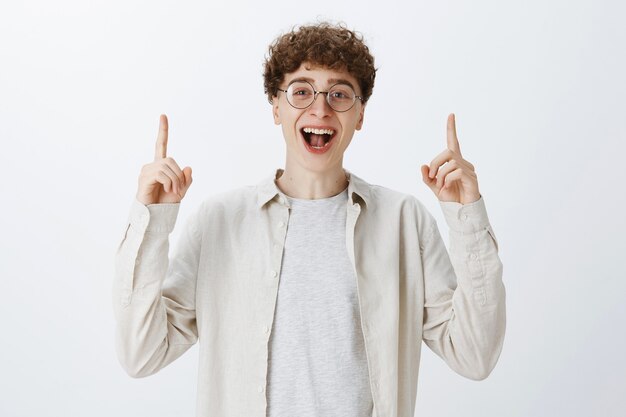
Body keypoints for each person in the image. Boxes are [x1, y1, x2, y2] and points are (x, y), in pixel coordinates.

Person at [113, 21, 506, 417]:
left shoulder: (404, 222)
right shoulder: (218, 222)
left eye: (339, 93)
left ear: (360, 114)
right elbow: (141, 353)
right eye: (301, 91)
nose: (320, 109)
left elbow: (474, 356)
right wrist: (153, 220)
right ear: (276, 107)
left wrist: (466, 218)